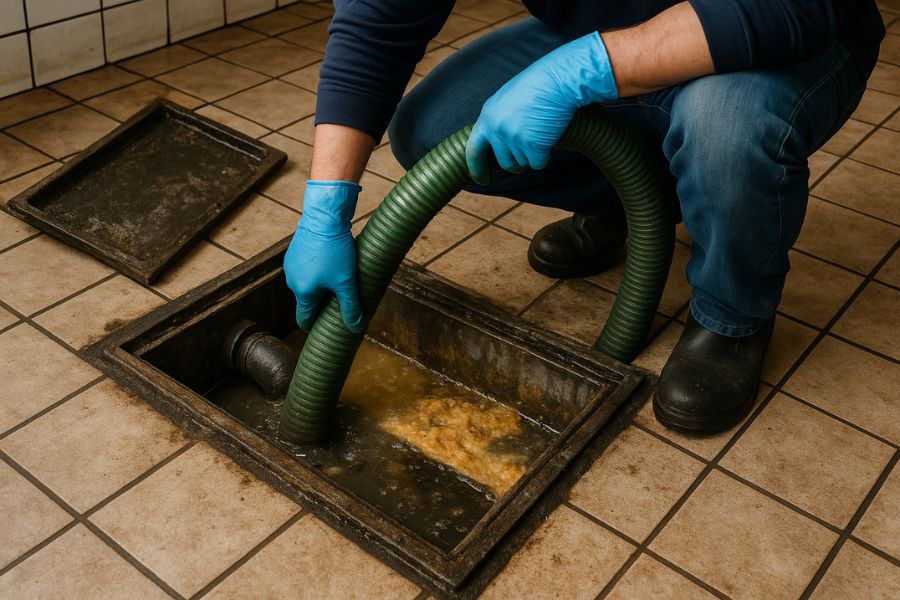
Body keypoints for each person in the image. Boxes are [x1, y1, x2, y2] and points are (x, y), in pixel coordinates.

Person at [283, 1, 884, 434]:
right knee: (436, 128)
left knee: (725, 131)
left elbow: (795, 8)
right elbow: (377, 23)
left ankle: (732, 315)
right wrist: (324, 208)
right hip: (612, 22)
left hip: (784, 32)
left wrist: (580, 71)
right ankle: (633, 198)